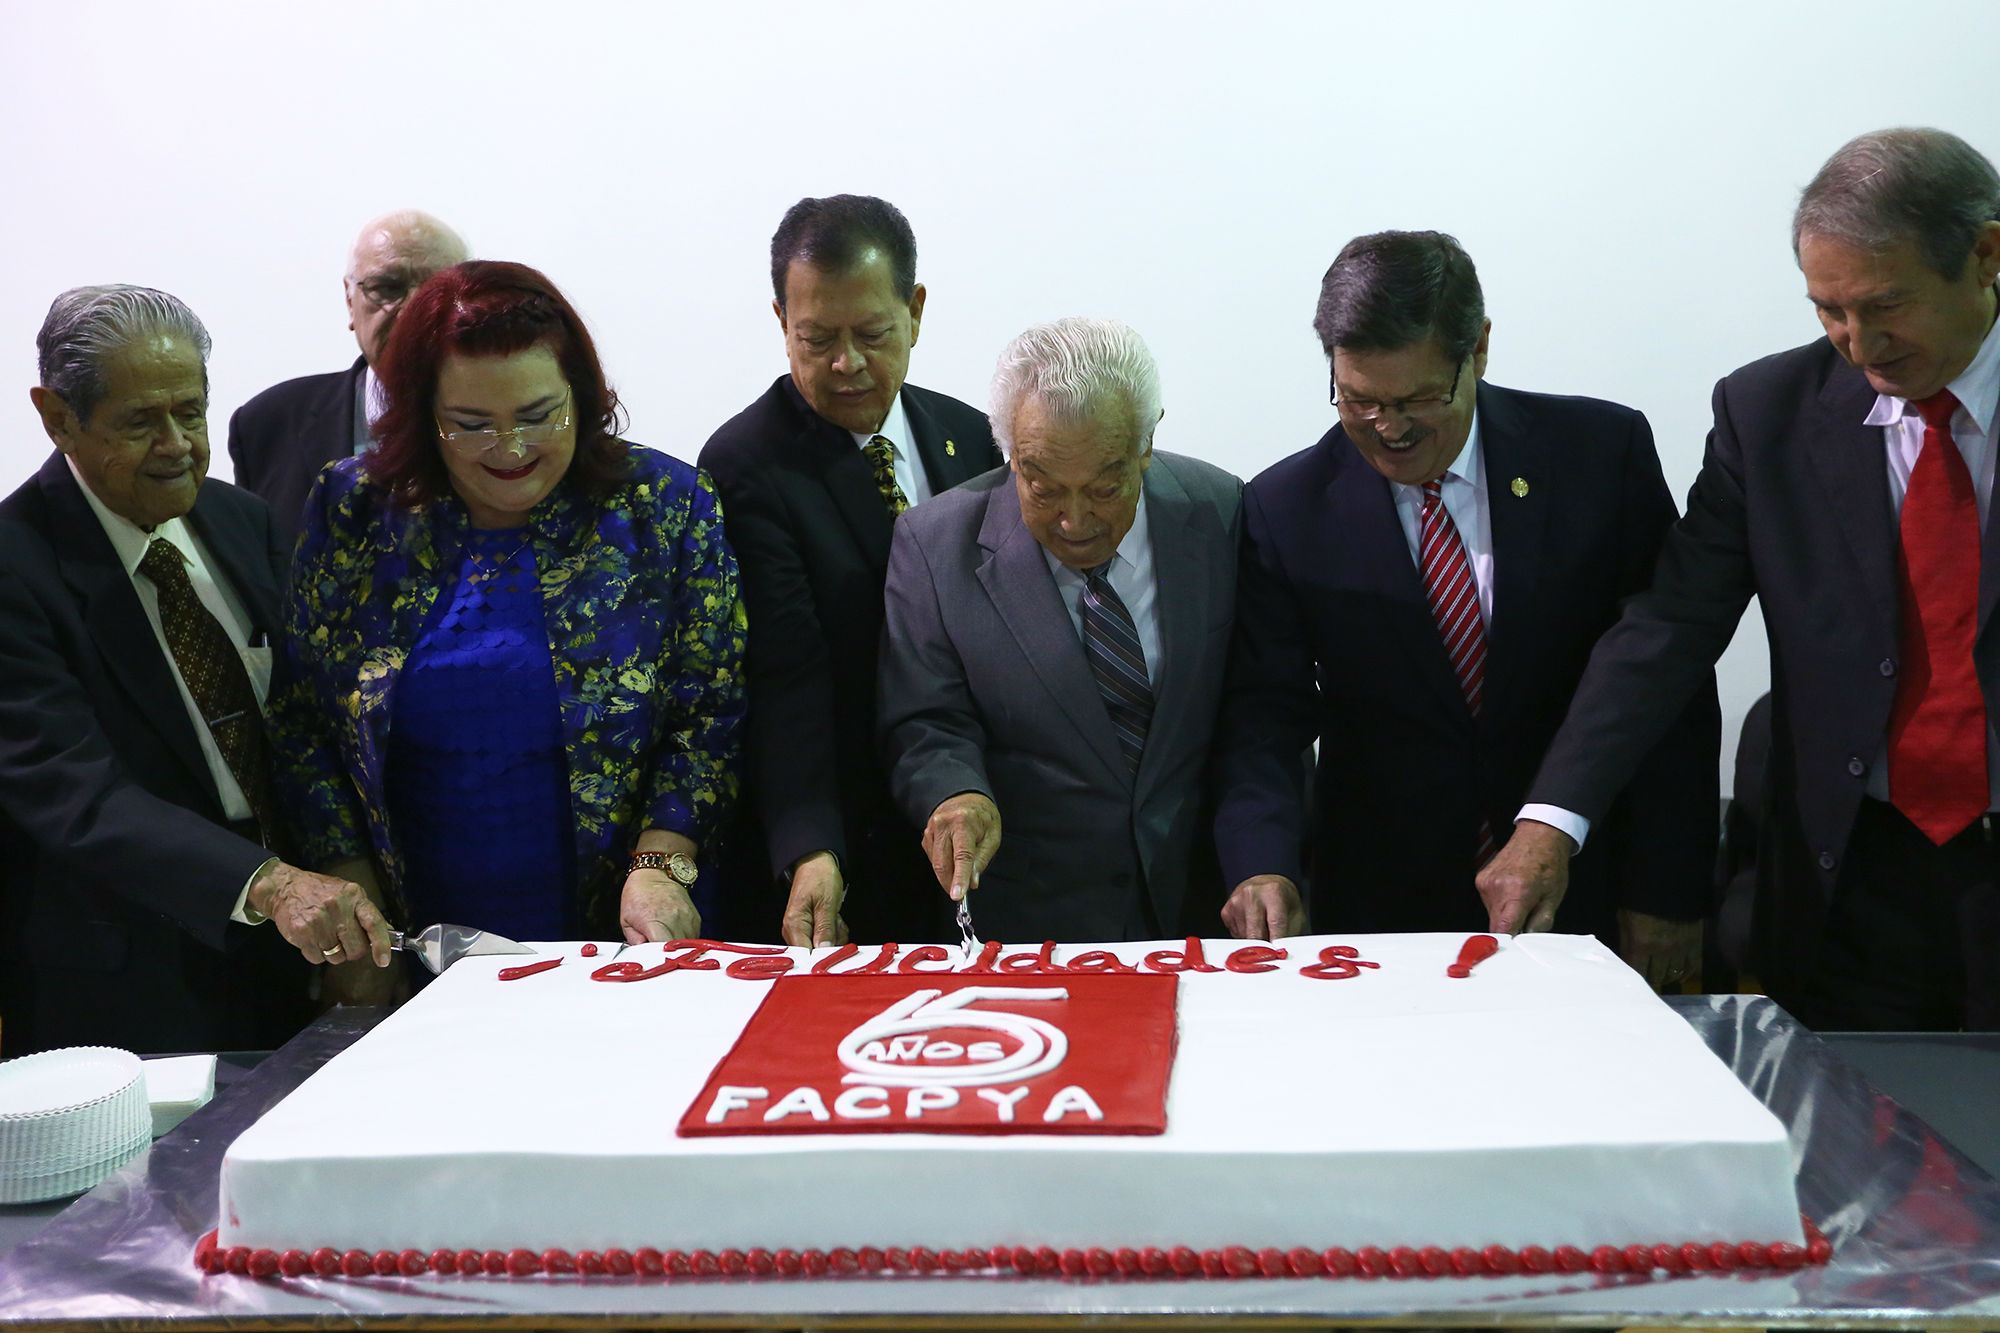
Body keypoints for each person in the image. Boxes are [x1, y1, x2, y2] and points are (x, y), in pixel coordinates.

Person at [1483, 128, 2000, 1031]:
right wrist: (1553, 819)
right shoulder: (1767, 415)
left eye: (1887, 304)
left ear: (1988, 254)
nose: (1858, 341)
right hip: (1852, 884)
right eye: (1827, 310)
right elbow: (1669, 627)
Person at [1212, 232, 1719, 983]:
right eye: (1359, 399)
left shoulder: (1598, 456)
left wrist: (1669, 894)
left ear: (1478, 349)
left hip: (1584, 889)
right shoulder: (1287, 508)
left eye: (1419, 397)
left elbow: (1665, 686)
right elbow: (1264, 715)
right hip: (1385, 914)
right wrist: (1261, 864)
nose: (1390, 427)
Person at [269, 261, 745, 989]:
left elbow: (708, 711)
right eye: (471, 425)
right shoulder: (354, 510)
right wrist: (349, 901)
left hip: (622, 934)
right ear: (423, 413)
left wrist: (661, 865)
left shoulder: (664, 506)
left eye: (537, 416)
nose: (511, 450)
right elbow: (304, 720)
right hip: (412, 940)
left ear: (582, 398)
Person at [0, 285, 391, 1054]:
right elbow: (76, 794)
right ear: (56, 417)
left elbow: (310, 723)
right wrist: (269, 885)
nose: (178, 443)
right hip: (128, 989)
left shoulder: (241, 521)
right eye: (141, 422)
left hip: (295, 954)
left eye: (191, 410)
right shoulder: (17, 568)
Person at [879, 317, 1241, 942]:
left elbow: (1253, 704)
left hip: (1204, 903)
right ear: (1009, 454)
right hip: (1033, 918)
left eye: (1105, 487)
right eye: (1042, 487)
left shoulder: (1219, 511)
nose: (1075, 520)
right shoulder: (935, 545)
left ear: (1145, 443)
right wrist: (956, 794)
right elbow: (925, 719)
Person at [699, 195, 999, 947]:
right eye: (816, 338)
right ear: (780, 321)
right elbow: (786, 675)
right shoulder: (746, 465)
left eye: (871, 333)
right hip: (844, 833)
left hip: (971, 827)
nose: (847, 363)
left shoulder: (969, 437)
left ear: (916, 311)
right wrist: (809, 845)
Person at [228, 210, 468, 539]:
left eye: (436, 292)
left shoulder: (519, 422)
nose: (412, 309)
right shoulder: (267, 424)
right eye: (387, 287)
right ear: (349, 299)